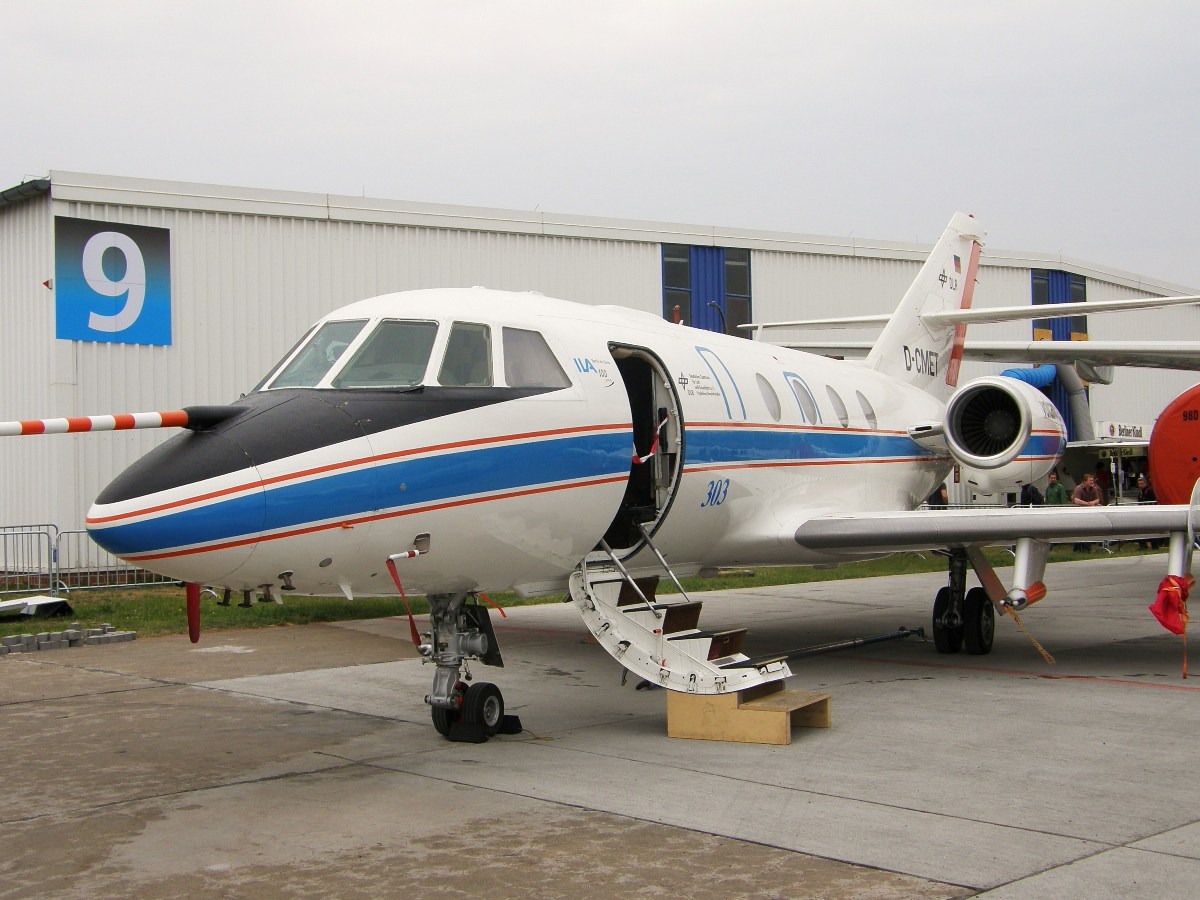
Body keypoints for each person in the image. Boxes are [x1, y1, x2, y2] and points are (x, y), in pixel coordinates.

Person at [1071, 472, 1104, 551]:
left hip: (1089, 514)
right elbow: (1076, 500)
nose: (1092, 482)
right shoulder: (1078, 488)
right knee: (1079, 531)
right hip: (1080, 514)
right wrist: (1086, 504)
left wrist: (1093, 503)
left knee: (1087, 530)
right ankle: (1077, 548)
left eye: (1092, 480)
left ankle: (1087, 548)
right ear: (1085, 481)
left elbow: (1097, 499)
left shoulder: (1094, 489)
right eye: (1090, 480)